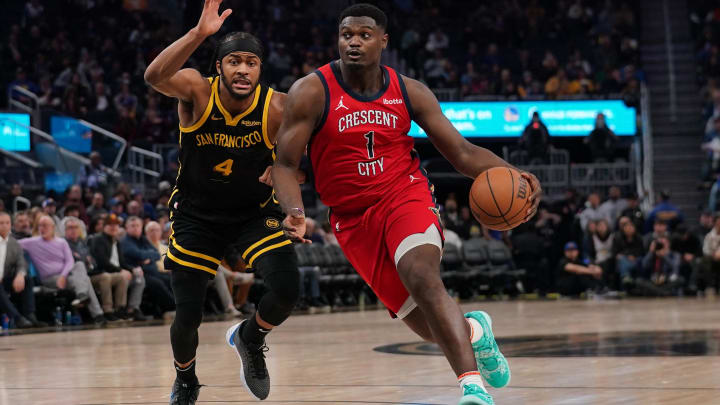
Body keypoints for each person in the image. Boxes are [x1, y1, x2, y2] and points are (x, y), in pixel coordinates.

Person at [272, 4, 541, 404]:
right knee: (425, 324)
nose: (354, 42)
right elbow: (285, 164)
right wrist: (294, 211)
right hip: (351, 218)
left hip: (404, 194)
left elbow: (463, 154)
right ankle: (475, 331)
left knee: (422, 276)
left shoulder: (410, 91)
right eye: (347, 35)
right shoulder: (311, 90)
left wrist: (514, 172)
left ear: (383, 41)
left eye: (364, 35)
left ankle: (472, 388)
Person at [144, 0, 302, 401]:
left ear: (260, 69)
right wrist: (199, 34)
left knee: (286, 289)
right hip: (197, 215)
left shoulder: (278, 107)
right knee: (188, 314)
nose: (243, 69)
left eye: (251, 62)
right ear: (220, 67)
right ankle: (185, 378)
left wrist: (291, 191)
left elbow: (300, 157)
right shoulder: (197, 90)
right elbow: (154, 75)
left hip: (253, 213)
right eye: (234, 61)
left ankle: (250, 338)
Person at [18, 215, 105, 324]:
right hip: (49, 279)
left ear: (53, 227)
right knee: (85, 280)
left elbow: (70, 261)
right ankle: (97, 313)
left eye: (45, 225)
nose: (42, 228)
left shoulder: (61, 242)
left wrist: (63, 276)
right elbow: (12, 243)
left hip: (65, 276)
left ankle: (83, 296)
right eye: (40, 226)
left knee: (79, 265)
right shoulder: (32, 242)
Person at [88, 214, 148, 321]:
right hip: (99, 273)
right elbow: (103, 263)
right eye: (110, 225)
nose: (113, 227)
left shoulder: (116, 241)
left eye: (115, 225)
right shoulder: (98, 239)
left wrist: (133, 269)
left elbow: (122, 263)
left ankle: (130, 309)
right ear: (104, 227)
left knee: (139, 277)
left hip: (114, 273)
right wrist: (121, 271)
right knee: (115, 277)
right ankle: (108, 311)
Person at [120, 216, 175, 316]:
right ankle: (173, 307)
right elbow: (137, 254)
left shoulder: (143, 239)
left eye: (137, 225)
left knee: (172, 279)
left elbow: (156, 254)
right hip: (140, 274)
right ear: (127, 228)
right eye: (132, 226)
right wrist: (145, 256)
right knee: (158, 284)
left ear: (141, 227)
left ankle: (177, 305)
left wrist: (146, 257)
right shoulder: (125, 242)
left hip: (152, 272)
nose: (135, 228)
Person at [0, 212, 46, 328]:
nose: (5, 226)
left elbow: (21, 262)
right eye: (1, 223)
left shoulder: (14, 243)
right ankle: (17, 318)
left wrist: (20, 274)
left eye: (7, 223)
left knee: (27, 279)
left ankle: (29, 315)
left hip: (5, 280)